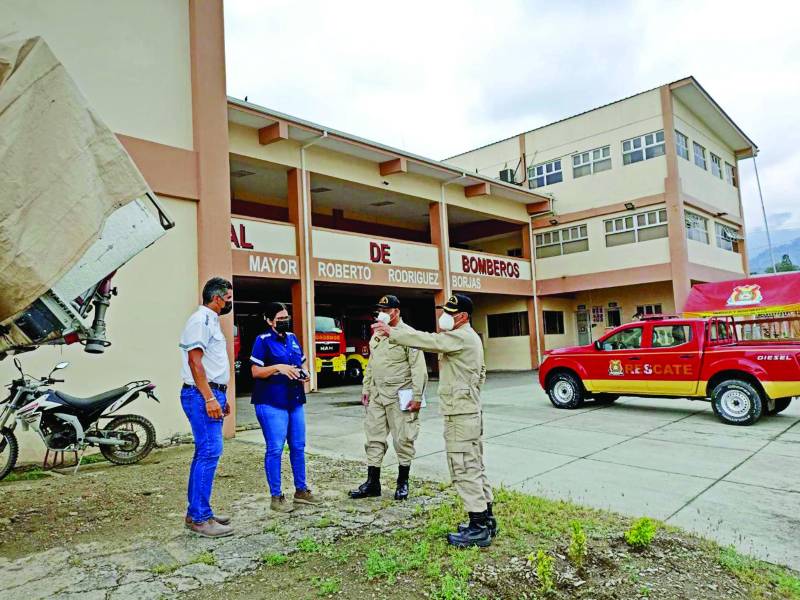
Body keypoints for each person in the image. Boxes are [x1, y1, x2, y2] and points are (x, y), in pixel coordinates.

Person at [372, 293, 495, 548]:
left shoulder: (460, 337)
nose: (444, 316)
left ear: (463, 316)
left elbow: (428, 340)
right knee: (474, 465)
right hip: (468, 411)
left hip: (461, 415)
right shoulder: (470, 337)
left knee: (463, 467)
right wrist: (468, 394)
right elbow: (481, 374)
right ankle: (486, 518)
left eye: (450, 313)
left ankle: (478, 527)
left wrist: (393, 333)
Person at [349, 295, 428, 501]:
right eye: (380, 310)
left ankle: (402, 482)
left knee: (404, 438)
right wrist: (366, 388)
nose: (382, 313)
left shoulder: (409, 335)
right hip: (377, 395)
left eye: (386, 310)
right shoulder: (377, 334)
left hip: (401, 395)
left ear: (396, 312)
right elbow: (371, 364)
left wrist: (417, 396)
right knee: (373, 437)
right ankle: (372, 483)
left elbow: (418, 369)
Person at [250, 302, 322, 512]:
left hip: (294, 400)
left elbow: (302, 362)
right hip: (271, 401)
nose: (284, 321)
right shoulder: (262, 340)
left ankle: (301, 490)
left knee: (298, 446)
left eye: (286, 317)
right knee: (275, 448)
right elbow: (255, 371)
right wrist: (277, 368)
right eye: (280, 319)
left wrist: (305, 372)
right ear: (269, 320)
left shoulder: (292, 338)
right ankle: (276, 496)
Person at [179, 277, 234, 537]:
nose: (229, 303)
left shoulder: (210, 321)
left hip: (211, 393)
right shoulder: (200, 320)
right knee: (210, 451)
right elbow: (195, 362)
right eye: (228, 298)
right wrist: (210, 398)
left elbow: (212, 363)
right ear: (217, 298)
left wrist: (222, 397)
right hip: (202, 395)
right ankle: (200, 518)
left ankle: (198, 512)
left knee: (205, 452)